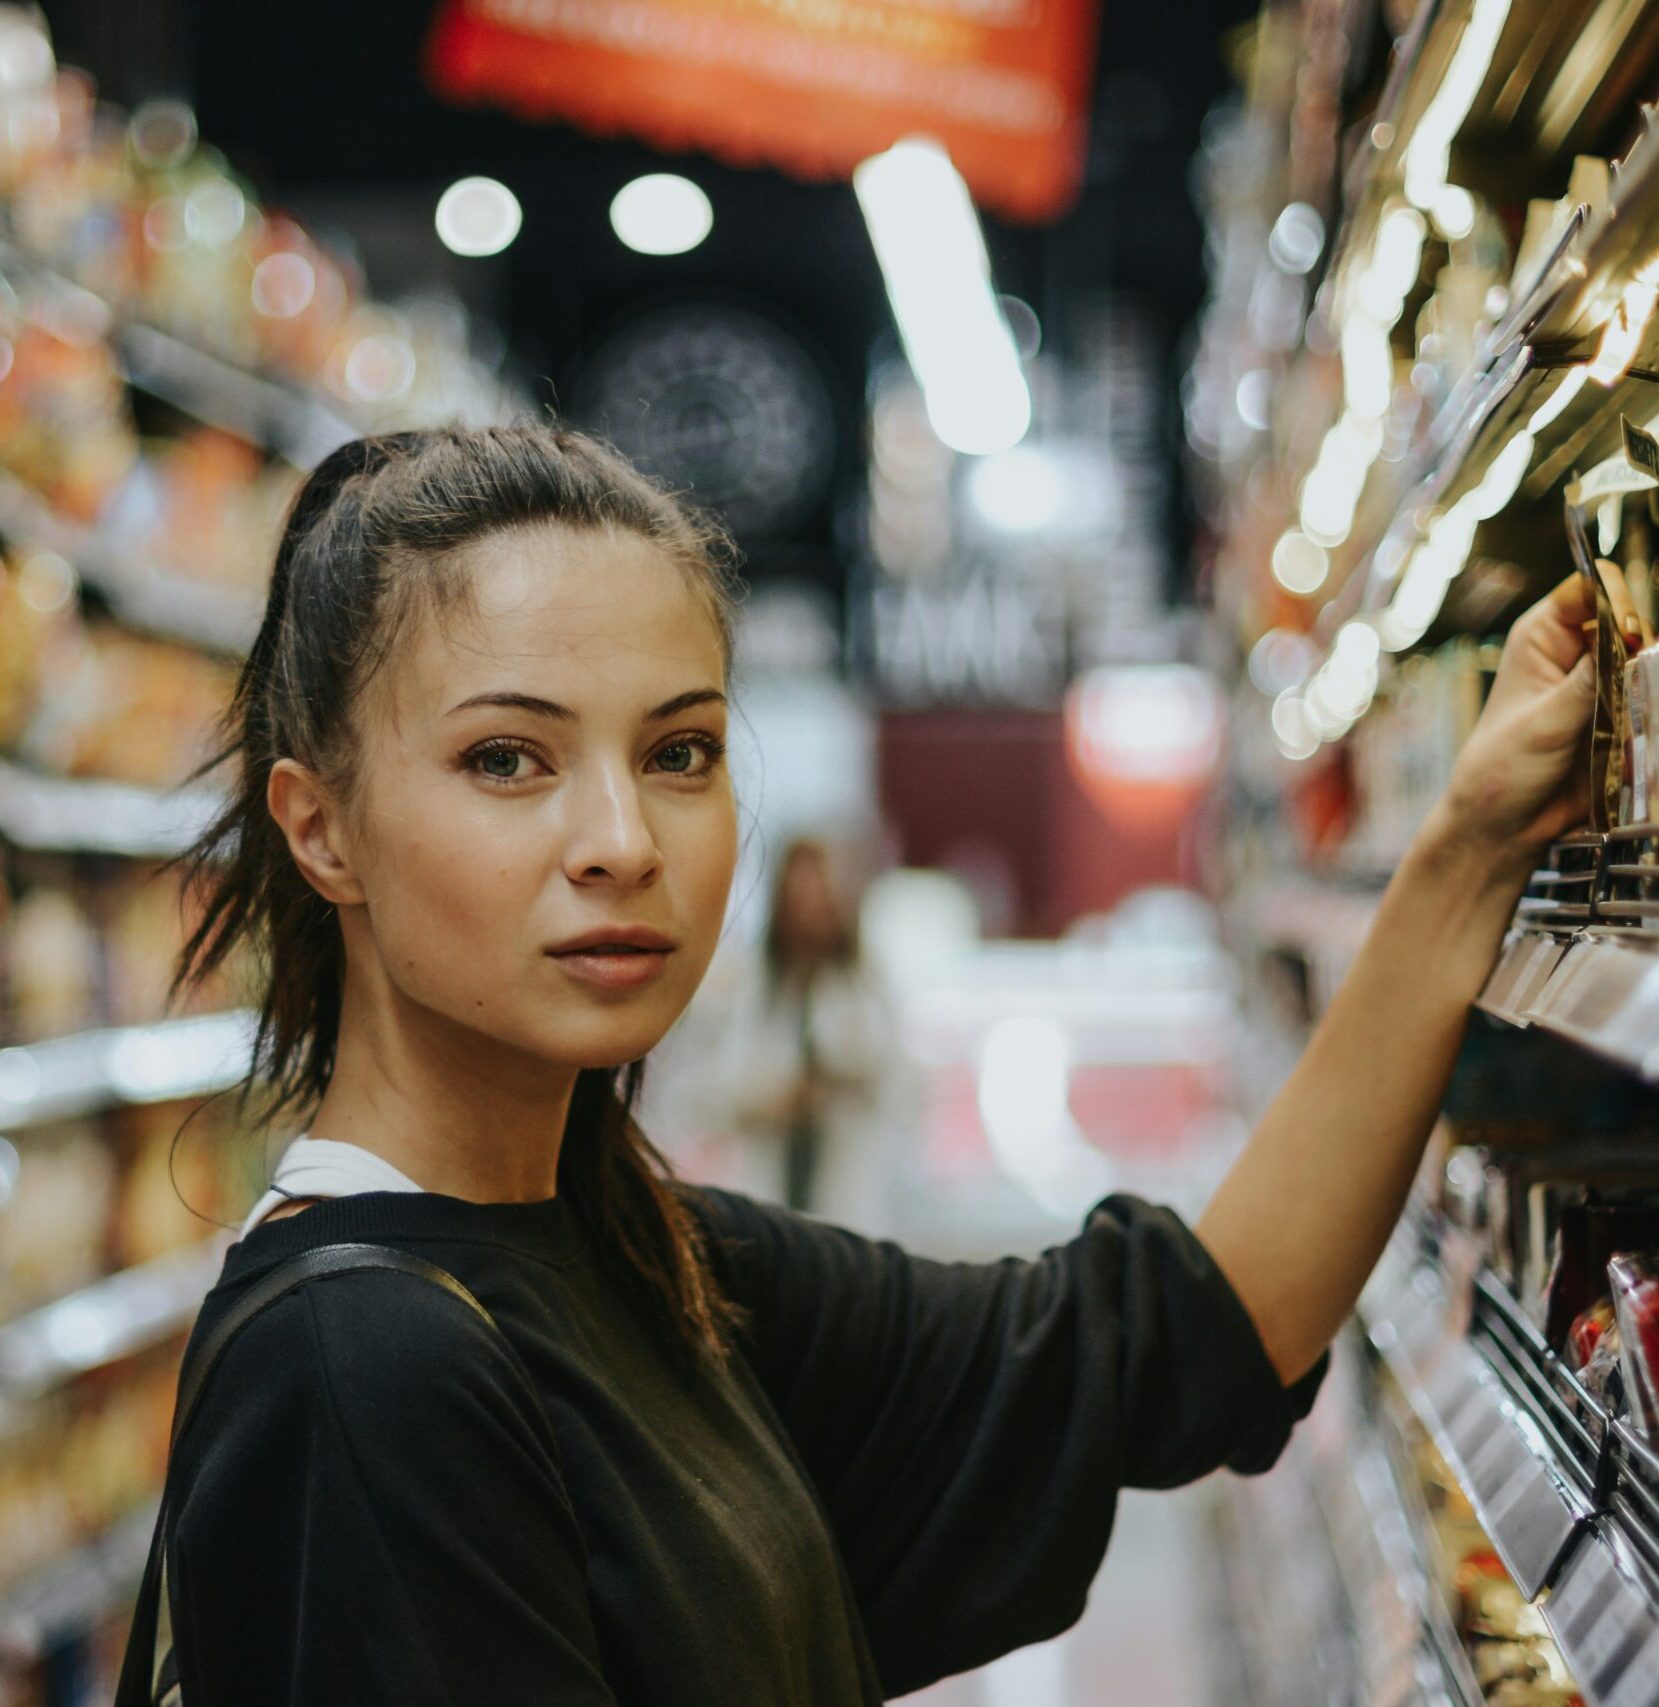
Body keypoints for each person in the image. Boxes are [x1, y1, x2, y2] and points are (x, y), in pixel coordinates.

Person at [118, 423, 1607, 1705]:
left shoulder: (638, 1254)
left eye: (679, 752)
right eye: (507, 758)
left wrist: (1469, 845)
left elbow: (1174, 1341)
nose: (623, 841)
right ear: (319, 827)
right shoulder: (365, 1365)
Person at [645, 835, 907, 1231]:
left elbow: (902, 1085)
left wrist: (842, 1079)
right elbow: (696, 1092)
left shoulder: (866, 985)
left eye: (819, 897)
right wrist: (769, 1097)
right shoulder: (748, 988)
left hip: (849, 1189)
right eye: (799, 897)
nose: (810, 911)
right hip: (765, 1186)